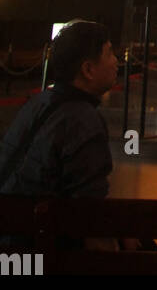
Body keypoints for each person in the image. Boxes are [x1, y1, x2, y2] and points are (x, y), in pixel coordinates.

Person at [0, 20, 116, 200]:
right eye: (110, 54)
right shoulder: (83, 122)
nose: (116, 61)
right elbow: (89, 207)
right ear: (88, 69)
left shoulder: (37, 102)